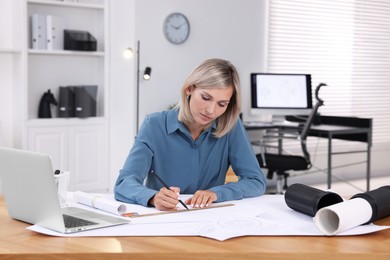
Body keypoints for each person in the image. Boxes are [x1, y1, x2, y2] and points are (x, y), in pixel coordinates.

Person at [114, 58, 266, 211]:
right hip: (163, 218)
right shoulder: (154, 125)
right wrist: (153, 197)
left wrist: (216, 193)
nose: (211, 111)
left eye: (222, 104)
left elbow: (255, 181)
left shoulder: (231, 127)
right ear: (189, 89)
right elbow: (124, 183)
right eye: (206, 98)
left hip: (211, 218)